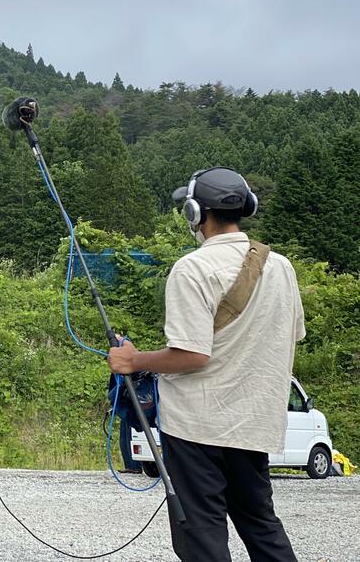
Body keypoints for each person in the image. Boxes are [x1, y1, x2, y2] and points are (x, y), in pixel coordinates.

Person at [108, 167, 304, 562]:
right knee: (261, 526)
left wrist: (133, 360)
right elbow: (292, 335)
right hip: (253, 425)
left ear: (195, 214)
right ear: (245, 207)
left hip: (198, 428)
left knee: (202, 537)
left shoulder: (192, 268)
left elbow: (192, 354)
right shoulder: (280, 266)